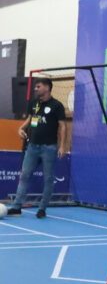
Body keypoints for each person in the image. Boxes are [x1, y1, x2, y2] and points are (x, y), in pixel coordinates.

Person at [6, 78, 68, 218]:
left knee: (48, 179)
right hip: (32, 146)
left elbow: (63, 126)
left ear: (47, 88)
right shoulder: (34, 103)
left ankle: (42, 209)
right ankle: (16, 207)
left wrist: (62, 146)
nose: (35, 89)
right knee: (25, 175)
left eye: (38, 86)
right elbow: (31, 119)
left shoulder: (57, 105)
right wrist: (21, 128)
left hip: (49, 148)